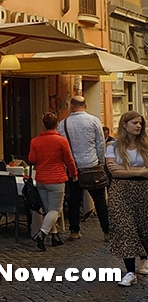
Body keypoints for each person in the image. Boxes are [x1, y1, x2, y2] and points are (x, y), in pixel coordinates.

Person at [57, 96, 110, 241]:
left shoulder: (63, 124)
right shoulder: (94, 121)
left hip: (73, 168)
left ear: (71, 106)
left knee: (74, 200)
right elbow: (100, 143)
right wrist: (100, 162)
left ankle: (74, 230)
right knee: (100, 200)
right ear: (85, 105)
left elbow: (63, 148)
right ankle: (106, 231)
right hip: (92, 165)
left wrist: (67, 165)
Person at [105, 111, 148, 287]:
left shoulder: (145, 145)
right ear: (124, 124)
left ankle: (144, 259)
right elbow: (114, 171)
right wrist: (141, 171)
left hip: (143, 190)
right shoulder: (113, 146)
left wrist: (126, 170)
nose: (138, 126)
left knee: (143, 227)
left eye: (140, 123)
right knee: (125, 229)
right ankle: (130, 271)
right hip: (120, 191)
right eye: (134, 123)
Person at [28, 112, 78, 251]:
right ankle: (42, 234)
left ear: (43, 124)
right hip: (56, 178)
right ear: (57, 125)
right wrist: (74, 173)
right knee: (55, 209)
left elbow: (32, 159)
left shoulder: (35, 141)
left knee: (48, 209)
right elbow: (69, 160)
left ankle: (55, 236)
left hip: (41, 179)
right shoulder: (61, 141)